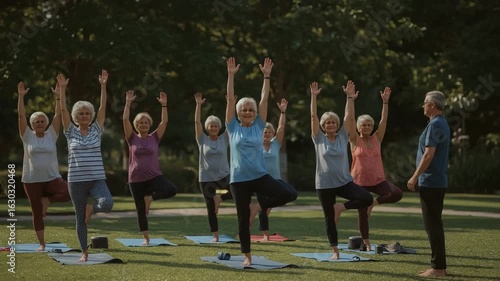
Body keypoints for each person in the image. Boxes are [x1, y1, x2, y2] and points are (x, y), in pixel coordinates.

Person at [225, 57, 297, 266]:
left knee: (289, 193)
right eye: (244, 109)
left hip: (259, 176)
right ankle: (247, 257)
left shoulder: (259, 126)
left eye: (251, 109)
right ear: (238, 113)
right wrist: (231, 76)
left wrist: (266, 76)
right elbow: (230, 99)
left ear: (256, 114)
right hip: (238, 180)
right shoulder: (232, 127)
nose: (247, 111)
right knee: (242, 221)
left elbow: (264, 99)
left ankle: (259, 206)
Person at [310, 80, 373, 260]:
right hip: (324, 184)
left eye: (333, 122)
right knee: (329, 219)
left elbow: (349, 117)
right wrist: (314, 98)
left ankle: (341, 207)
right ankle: (335, 251)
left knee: (366, 198)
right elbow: (313, 117)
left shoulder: (343, 137)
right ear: (323, 126)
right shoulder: (318, 138)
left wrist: (349, 98)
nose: (330, 125)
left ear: (337, 125)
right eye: (327, 123)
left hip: (344, 181)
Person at [60, 70, 114, 262]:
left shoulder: (96, 129)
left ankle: (92, 208)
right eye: (81, 113)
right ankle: (84, 252)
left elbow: (103, 106)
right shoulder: (70, 132)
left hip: (96, 178)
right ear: (76, 116)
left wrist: (103, 85)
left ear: (91, 116)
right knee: (80, 219)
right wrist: (62, 92)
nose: (84, 115)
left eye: (87, 113)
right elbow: (63, 111)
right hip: (76, 181)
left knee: (107, 203)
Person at [17, 77, 70, 251]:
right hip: (31, 180)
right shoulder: (27, 135)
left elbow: (58, 114)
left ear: (46, 124)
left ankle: (47, 200)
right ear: (32, 125)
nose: (40, 123)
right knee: (36, 212)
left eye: (42, 121)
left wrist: (58, 95)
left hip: (52, 177)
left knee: (69, 191)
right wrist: (21, 96)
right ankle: (41, 243)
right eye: (37, 122)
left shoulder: (52, 134)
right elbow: (21, 115)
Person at [349, 87, 403, 251]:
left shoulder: (376, 139)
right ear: (358, 127)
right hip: (359, 182)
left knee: (397, 193)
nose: (366, 127)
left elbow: (384, 121)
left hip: (378, 180)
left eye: (369, 125)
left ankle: (373, 202)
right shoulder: (354, 140)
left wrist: (385, 102)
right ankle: (366, 242)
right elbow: (350, 119)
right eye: (363, 125)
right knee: (362, 214)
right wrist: (350, 100)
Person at [123, 90, 178, 245]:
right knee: (140, 210)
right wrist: (128, 103)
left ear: (149, 124)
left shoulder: (155, 137)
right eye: (140, 122)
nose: (143, 124)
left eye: (146, 122)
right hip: (135, 179)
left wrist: (164, 105)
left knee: (171, 189)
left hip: (154, 176)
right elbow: (125, 119)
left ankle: (150, 197)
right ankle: (146, 238)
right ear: (136, 125)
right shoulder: (131, 137)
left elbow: (164, 122)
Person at [407, 91, 450, 277]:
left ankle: (438, 268)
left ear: (432, 105)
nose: (423, 106)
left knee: (432, 225)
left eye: (425, 103)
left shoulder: (435, 125)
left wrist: (414, 177)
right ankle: (438, 266)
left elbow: (428, 154)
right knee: (434, 224)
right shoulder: (441, 123)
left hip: (431, 181)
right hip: (436, 181)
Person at [255, 98, 296, 241]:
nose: (266, 134)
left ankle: (261, 207)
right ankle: (265, 235)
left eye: (269, 132)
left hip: (276, 179)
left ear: (272, 134)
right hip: (260, 180)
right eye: (264, 132)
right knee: (264, 210)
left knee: (292, 194)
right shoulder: (256, 145)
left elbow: (282, 128)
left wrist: (283, 112)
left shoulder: (275, 144)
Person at [194, 92, 232, 242]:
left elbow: (230, 121)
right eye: (211, 126)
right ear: (207, 127)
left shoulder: (224, 139)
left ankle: (220, 196)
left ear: (219, 127)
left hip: (224, 177)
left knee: (235, 192)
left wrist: (230, 103)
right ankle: (215, 236)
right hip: (206, 178)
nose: (214, 127)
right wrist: (198, 105)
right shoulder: (202, 139)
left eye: (216, 125)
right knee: (210, 207)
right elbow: (196, 123)